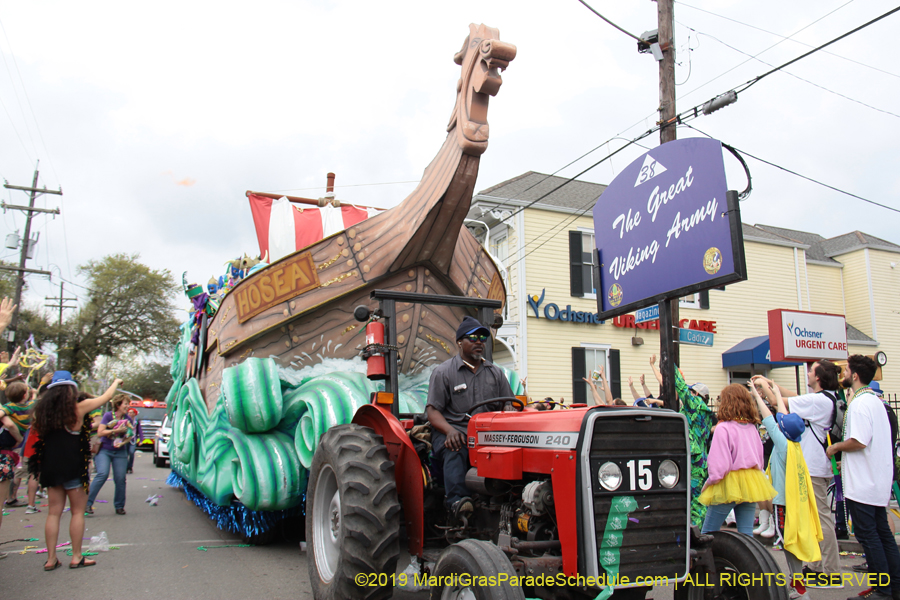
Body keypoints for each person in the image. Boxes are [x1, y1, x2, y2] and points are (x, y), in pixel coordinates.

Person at [760, 362, 844, 587]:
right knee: (814, 517)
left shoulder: (818, 401)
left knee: (822, 519)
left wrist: (762, 387)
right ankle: (817, 566)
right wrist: (771, 384)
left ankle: (832, 571)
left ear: (818, 377)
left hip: (813, 467)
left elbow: (781, 402)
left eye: (811, 370)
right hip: (816, 465)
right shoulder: (826, 398)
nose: (808, 372)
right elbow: (792, 396)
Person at [28, 372, 122, 569]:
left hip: (50, 467)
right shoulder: (77, 409)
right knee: (77, 511)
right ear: (71, 389)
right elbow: (105, 398)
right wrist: (116, 382)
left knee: (53, 513)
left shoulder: (43, 413)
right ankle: (76, 556)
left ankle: (51, 558)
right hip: (73, 466)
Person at [425, 316, 514, 520]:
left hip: (487, 435)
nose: (479, 341)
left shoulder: (495, 373)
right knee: (455, 447)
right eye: (472, 337)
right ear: (459, 342)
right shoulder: (443, 372)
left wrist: (510, 408)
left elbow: (508, 403)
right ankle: (458, 502)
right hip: (455, 430)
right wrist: (449, 430)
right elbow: (433, 411)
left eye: (482, 337)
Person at [827, 355, 900, 600]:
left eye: (846, 371)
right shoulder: (875, 401)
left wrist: (835, 448)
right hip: (876, 480)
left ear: (855, 375)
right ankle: (894, 586)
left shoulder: (859, 404)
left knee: (869, 538)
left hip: (863, 483)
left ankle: (882, 589)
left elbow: (859, 441)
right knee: (883, 536)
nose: (843, 374)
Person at [750, 381, 822, 600]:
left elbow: (769, 418)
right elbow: (783, 415)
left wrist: (756, 393)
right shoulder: (794, 443)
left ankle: (799, 589)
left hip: (784, 505)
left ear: (783, 430)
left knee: (789, 544)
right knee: (793, 542)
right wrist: (777, 394)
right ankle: (797, 584)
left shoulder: (781, 444)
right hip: (797, 502)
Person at [699, 384, 776, 535]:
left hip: (728, 483)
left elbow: (720, 466)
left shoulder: (723, 428)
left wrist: (709, 483)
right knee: (746, 533)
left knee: (708, 532)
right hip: (751, 482)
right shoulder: (752, 428)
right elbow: (759, 460)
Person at [86, 393, 133, 515]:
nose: (127, 406)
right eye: (125, 404)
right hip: (105, 450)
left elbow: (130, 436)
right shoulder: (108, 416)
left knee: (120, 478)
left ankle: (119, 506)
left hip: (120, 451)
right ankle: (87, 503)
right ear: (118, 405)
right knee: (102, 474)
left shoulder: (128, 419)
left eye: (128, 404)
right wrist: (115, 430)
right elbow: (100, 432)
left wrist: (123, 442)